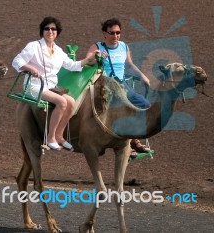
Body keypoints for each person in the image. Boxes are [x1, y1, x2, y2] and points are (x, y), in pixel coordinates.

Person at [12, 16, 96, 151]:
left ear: (57, 32)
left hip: (51, 87)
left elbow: (72, 65)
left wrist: (88, 60)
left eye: (53, 29)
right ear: (42, 31)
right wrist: (30, 68)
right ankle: (50, 138)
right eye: (47, 28)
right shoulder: (33, 46)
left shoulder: (58, 50)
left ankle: (59, 136)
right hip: (35, 85)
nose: (50, 31)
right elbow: (17, 61)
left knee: (71, 102)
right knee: (61, 102)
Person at [85, 18, 151, 157]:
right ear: (104, 33)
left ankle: (133, 138)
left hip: (122, 84)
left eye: (118, 32)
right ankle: (129, 143)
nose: (115, 36)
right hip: (105, 85)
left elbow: (129, 64)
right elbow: (87, 62)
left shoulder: (124, 47)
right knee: (123, 109)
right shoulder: (97, 47)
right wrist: (96, 57)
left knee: (144, 105)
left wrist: (142, 76)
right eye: (112, 33)